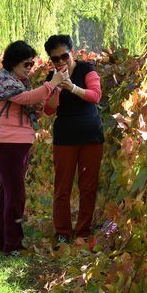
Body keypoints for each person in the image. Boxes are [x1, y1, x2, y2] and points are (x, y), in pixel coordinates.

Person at [0, 40, 68, 255]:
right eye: (26, 64)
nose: (30, 68)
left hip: (20, 144)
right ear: (13, 63)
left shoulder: (19, 83)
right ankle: (13, 245)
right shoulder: (5, 83)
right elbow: (26, 98)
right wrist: (51, 84)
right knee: (16, 196)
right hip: (7, 145)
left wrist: (41, 105)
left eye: (32, 64)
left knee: (7, 195)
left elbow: (32, 108)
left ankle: (3, 243)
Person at [42, 34, 105, 242]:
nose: (60, 61)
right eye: (55, 59)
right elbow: (49, 111)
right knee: (62, 187)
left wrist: (73, 88)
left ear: (72, 52)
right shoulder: (52, 77)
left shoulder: (87, 69)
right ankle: (62, 232)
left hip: (90, 135)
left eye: (64, 56)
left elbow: (95, 96)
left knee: (88, 186)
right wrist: (56, 89)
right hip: (65, 137)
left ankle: (84, 231)